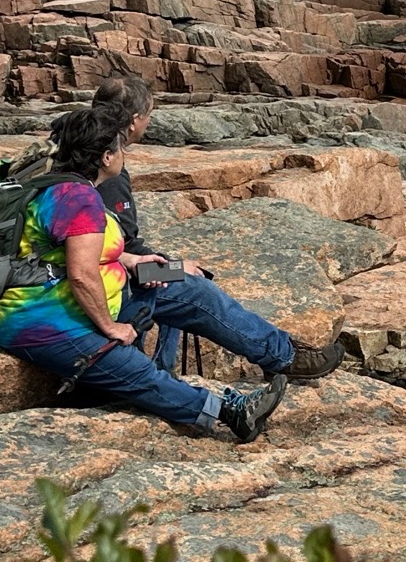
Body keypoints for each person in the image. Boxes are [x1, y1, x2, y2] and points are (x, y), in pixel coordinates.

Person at [0, 107, 292, 441]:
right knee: (135, 369)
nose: (125, 155)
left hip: (81, 301)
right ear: (105, 157)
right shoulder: (79, 200)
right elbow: (81, 275)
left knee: (188, 287)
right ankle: (229, 412)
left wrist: (131, 260)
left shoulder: (61, 185)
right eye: (121, 149)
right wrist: (109, 327)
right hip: (44, 322)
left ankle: (283, 354)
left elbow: (73, 252)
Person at [88, 74, 343, 382]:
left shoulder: (76, 144)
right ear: (134, 120)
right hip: (107, 278)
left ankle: (159, 368)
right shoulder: (106, 170)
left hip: (100, 267)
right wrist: (169, 267)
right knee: (194, 288)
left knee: (175, 272)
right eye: (149, 116)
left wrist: (167, 263)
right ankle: (283, 356)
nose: (149, 124)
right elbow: (122, 246)